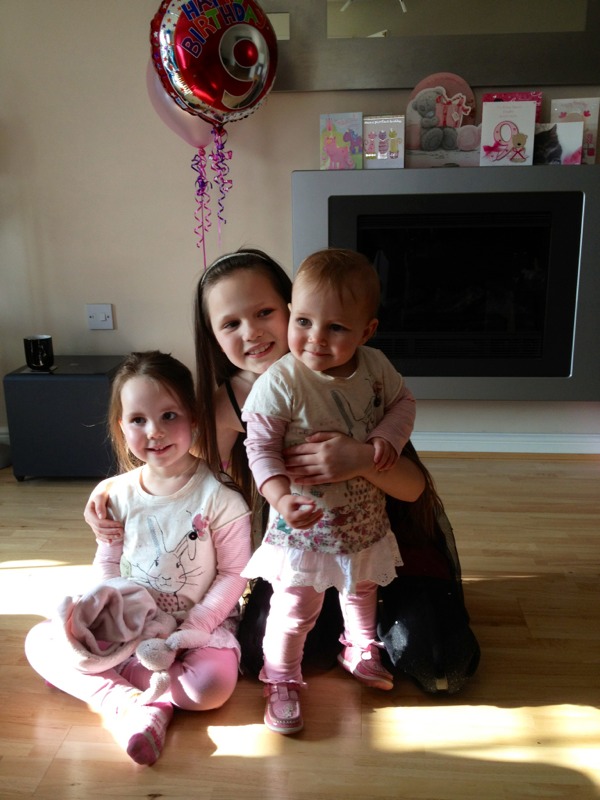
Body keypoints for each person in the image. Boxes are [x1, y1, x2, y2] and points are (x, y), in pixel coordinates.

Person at [25, 351, 251, 765]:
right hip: (128, 623)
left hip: (195, 627)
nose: (154, 432)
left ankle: (103, 678)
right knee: (38, 643)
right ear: (121, 426)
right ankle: (132, 704)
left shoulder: (221, 499)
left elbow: (236, 573)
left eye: (169, 416)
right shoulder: (117, 495)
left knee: (209, 688)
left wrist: (195, 626)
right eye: (138, 420)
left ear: (194, 418)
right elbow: (108, 563)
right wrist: (106, 608)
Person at [240, 248, 418, 733]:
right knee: (295, 609)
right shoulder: (281, 381)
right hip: (304, 530)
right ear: (290, 314)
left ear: (367, 331)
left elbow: (403, 402)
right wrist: (280, 497)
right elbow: (260, 449)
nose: (315, 338)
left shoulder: (376, 368)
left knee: (362, 590)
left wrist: (386, 439)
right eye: (303, 321)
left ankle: (358, 648)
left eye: (336, 327)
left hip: (362, 520)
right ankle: (281, 677)